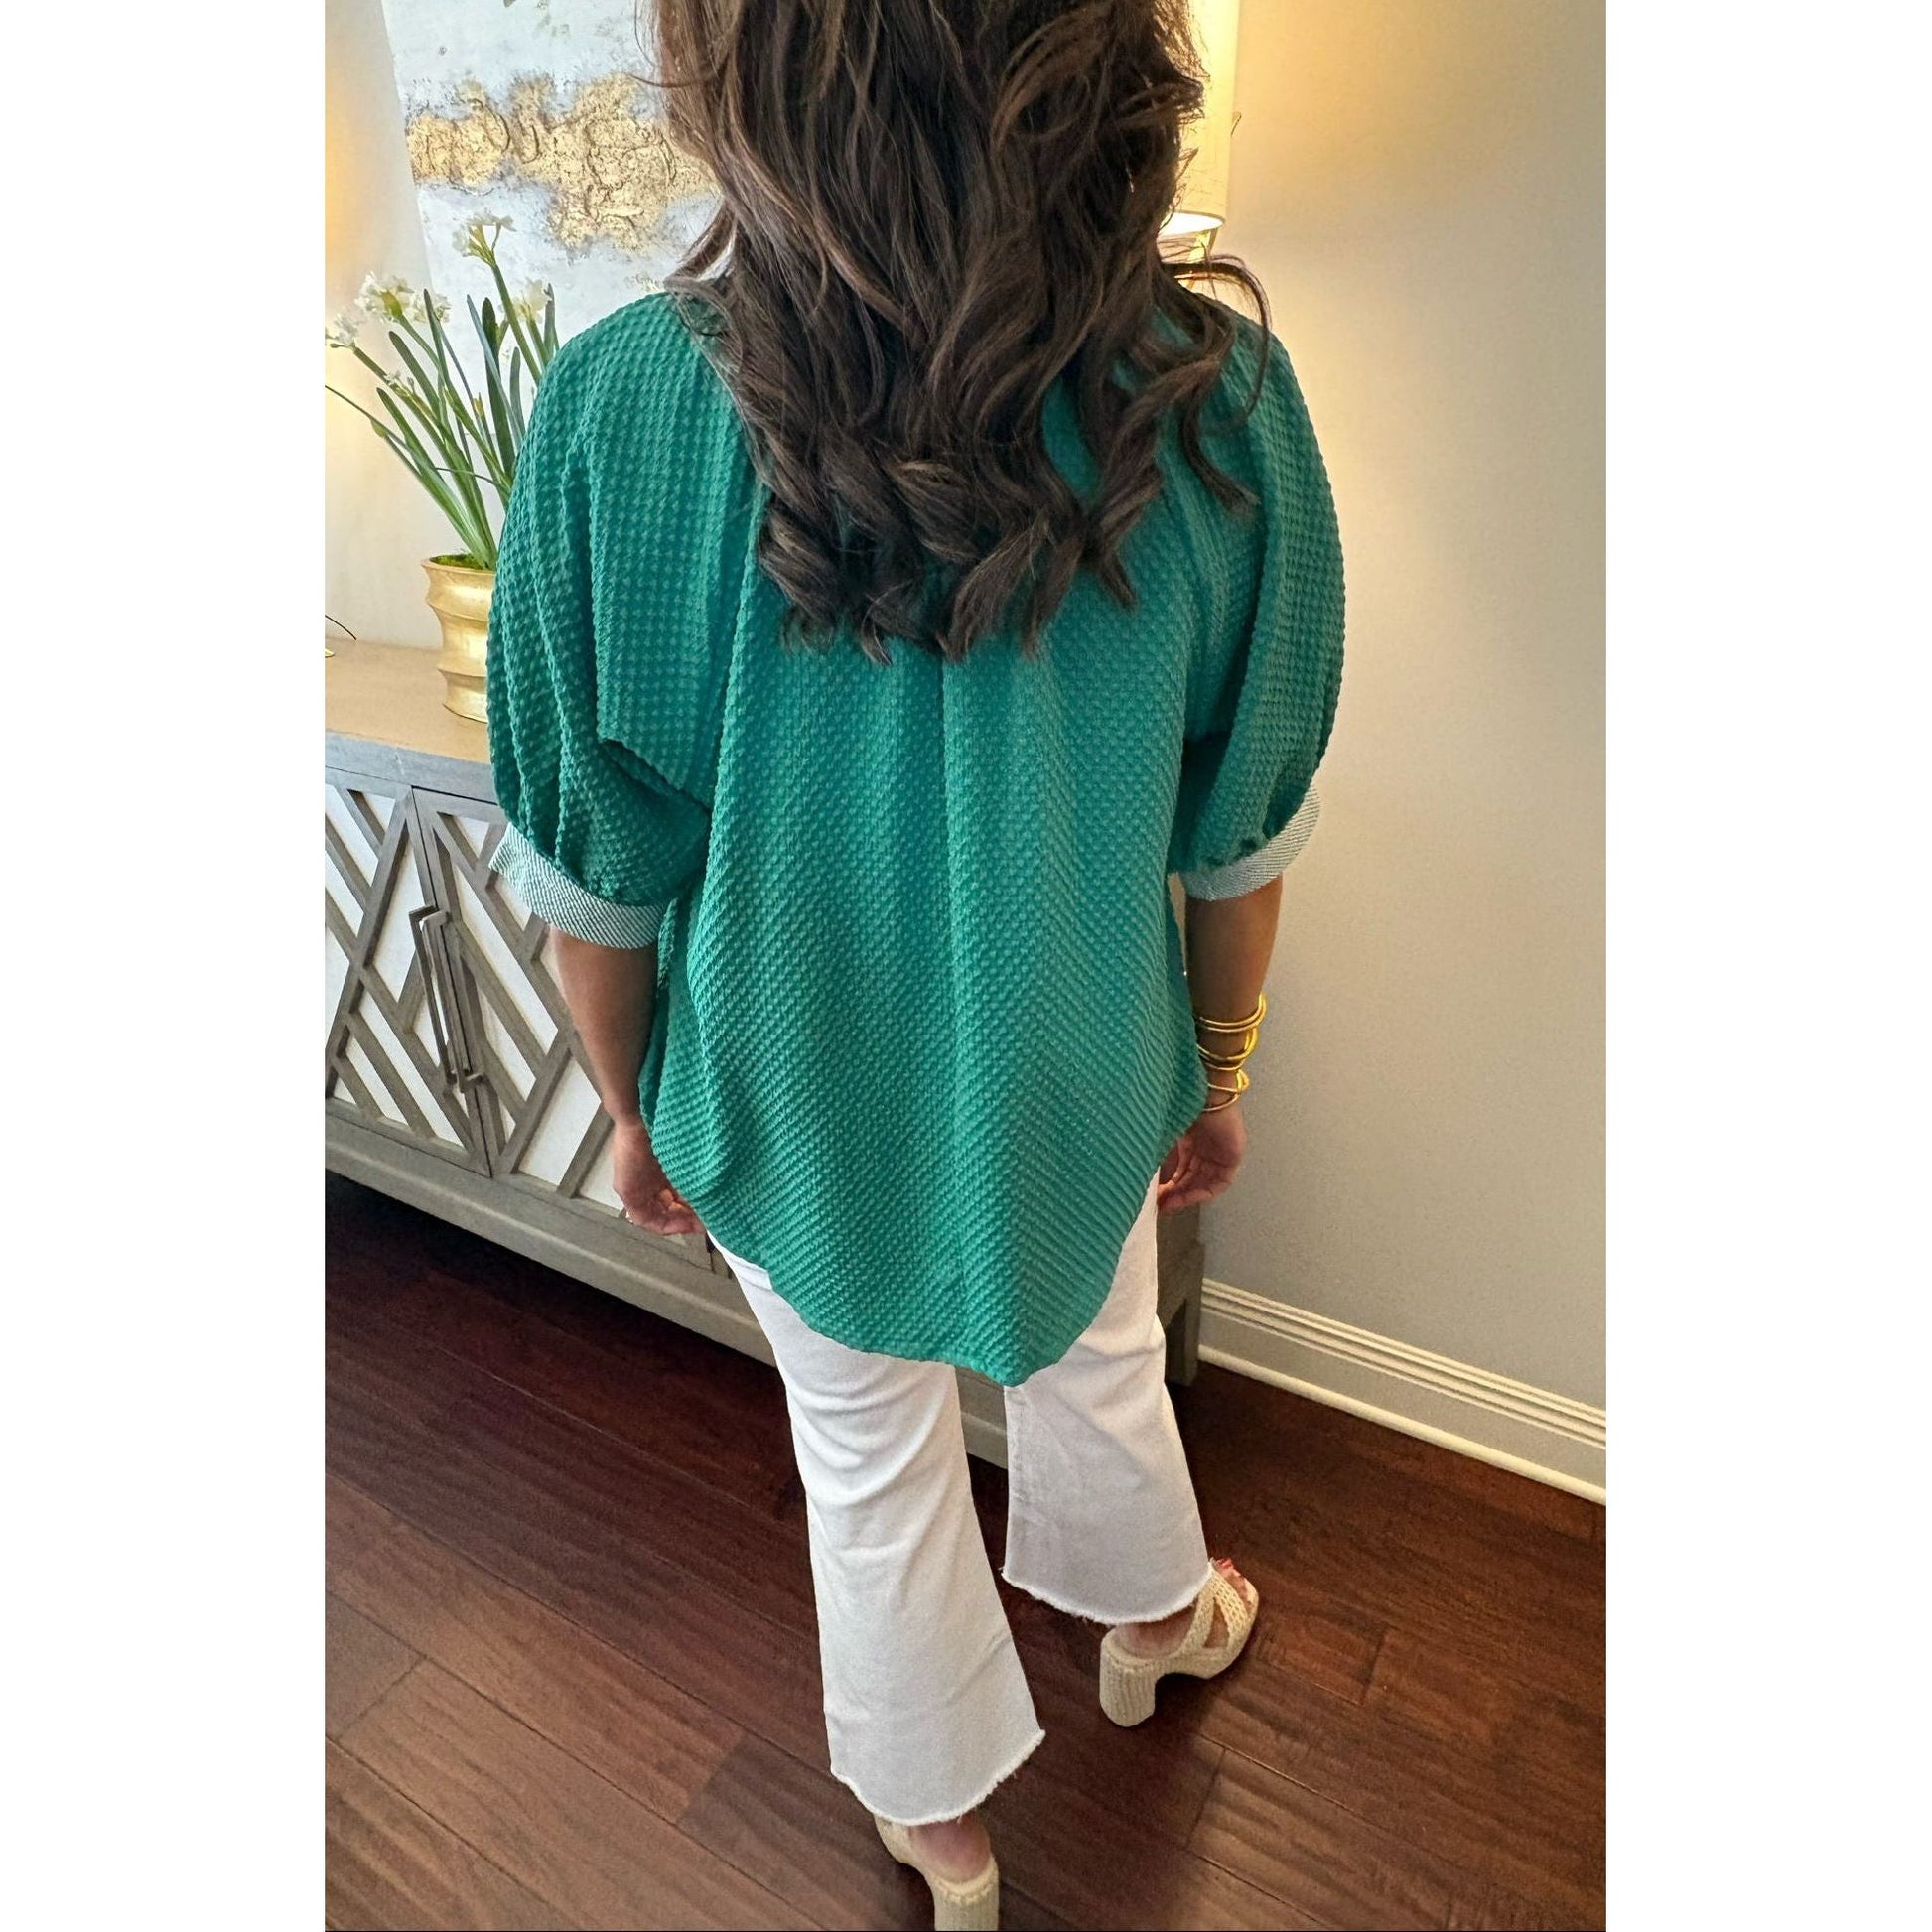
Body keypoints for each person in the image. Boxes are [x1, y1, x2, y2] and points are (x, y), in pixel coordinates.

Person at [484, 4, 1343, 1924]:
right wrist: (1220, 1071)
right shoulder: (1214, 401)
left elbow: (599, 874)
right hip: (1077, 1059)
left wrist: (634, 1116)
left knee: (865, 1446)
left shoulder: (624, 408)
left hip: (787, 1080)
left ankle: (943, 1835)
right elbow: (1240, 833)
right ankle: (1154, 1620)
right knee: (1101, 1335)